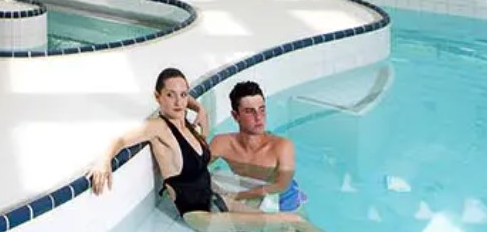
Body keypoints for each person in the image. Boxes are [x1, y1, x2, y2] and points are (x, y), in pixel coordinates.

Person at [88, 68, 320, 231]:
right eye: (170, 95)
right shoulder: (159, 127)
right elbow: (121, 139)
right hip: (199, 215)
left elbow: (184, 102)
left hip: (216, 198)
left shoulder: (188, 125)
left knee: (287, 228)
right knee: (292, 221)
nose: (178, 102)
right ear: (157, 97)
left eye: (183, 95)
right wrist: (103, 161)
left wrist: (199, 108)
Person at [209, 82, 307, 215]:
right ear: (235, 116)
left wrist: (237, 196)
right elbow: (195, 169)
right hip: (251, 193)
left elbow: (281, 185)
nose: (258, 117)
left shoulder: (282, 146)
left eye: (262, 109)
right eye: (249, 111)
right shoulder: (222, 143)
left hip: (284, 199)